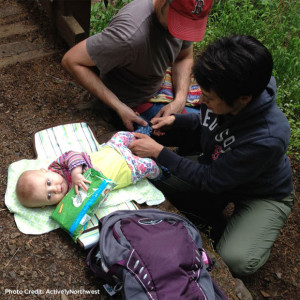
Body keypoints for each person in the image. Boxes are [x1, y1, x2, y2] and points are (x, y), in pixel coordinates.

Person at [128, 35, 294, 277]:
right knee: (152, 178)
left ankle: (245, 221)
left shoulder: (268, 137)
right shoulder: (222, 87)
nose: (201, 100)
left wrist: (159, 152)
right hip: (220, 167)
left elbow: (210, 179)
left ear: (244, 99)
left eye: (209, 98)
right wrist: (177, 121)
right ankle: (210, 205)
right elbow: (208, 121)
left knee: (236, 260)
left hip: (260, 193)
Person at [61, 0, 213, 131]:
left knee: (217, 107)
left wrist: (179, 100)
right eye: (180, 22)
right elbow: (72, 60)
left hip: (156, 78)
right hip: (134, 100)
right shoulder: (129, 36)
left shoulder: (184, 12)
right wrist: (119, 107)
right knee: (208, 124)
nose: (183, 31)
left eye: (189, 25)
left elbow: (184, 57)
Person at [16, 132, 161, 208]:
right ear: (45, 206)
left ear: (44, 171)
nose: (55, 189)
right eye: (49, 196)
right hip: (126, 170)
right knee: (149, 166)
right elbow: (94, 202)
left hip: (112, 151)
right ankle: (161, 174)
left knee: (122, 135)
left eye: (48, 183)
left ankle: (145, 133)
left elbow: (71, 155)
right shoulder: (67, 202)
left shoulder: (56, 167)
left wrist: (76, 173)